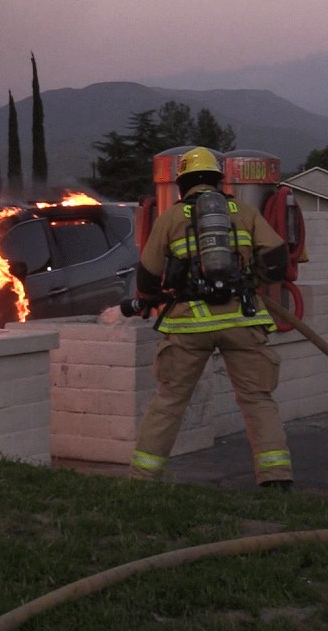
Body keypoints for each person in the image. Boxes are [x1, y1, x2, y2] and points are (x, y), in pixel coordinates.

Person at [126, 146, 294, 490]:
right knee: (257, 399)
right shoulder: (244, 211)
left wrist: (151, 299)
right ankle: (276, 478)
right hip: (242, 320)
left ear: (182, 184)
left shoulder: (170, 218)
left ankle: (142, 480)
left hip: (189, 326)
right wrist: (254, 282)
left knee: (170, 401)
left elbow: (147, 274)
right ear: (219, 181)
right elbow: (278, 254)